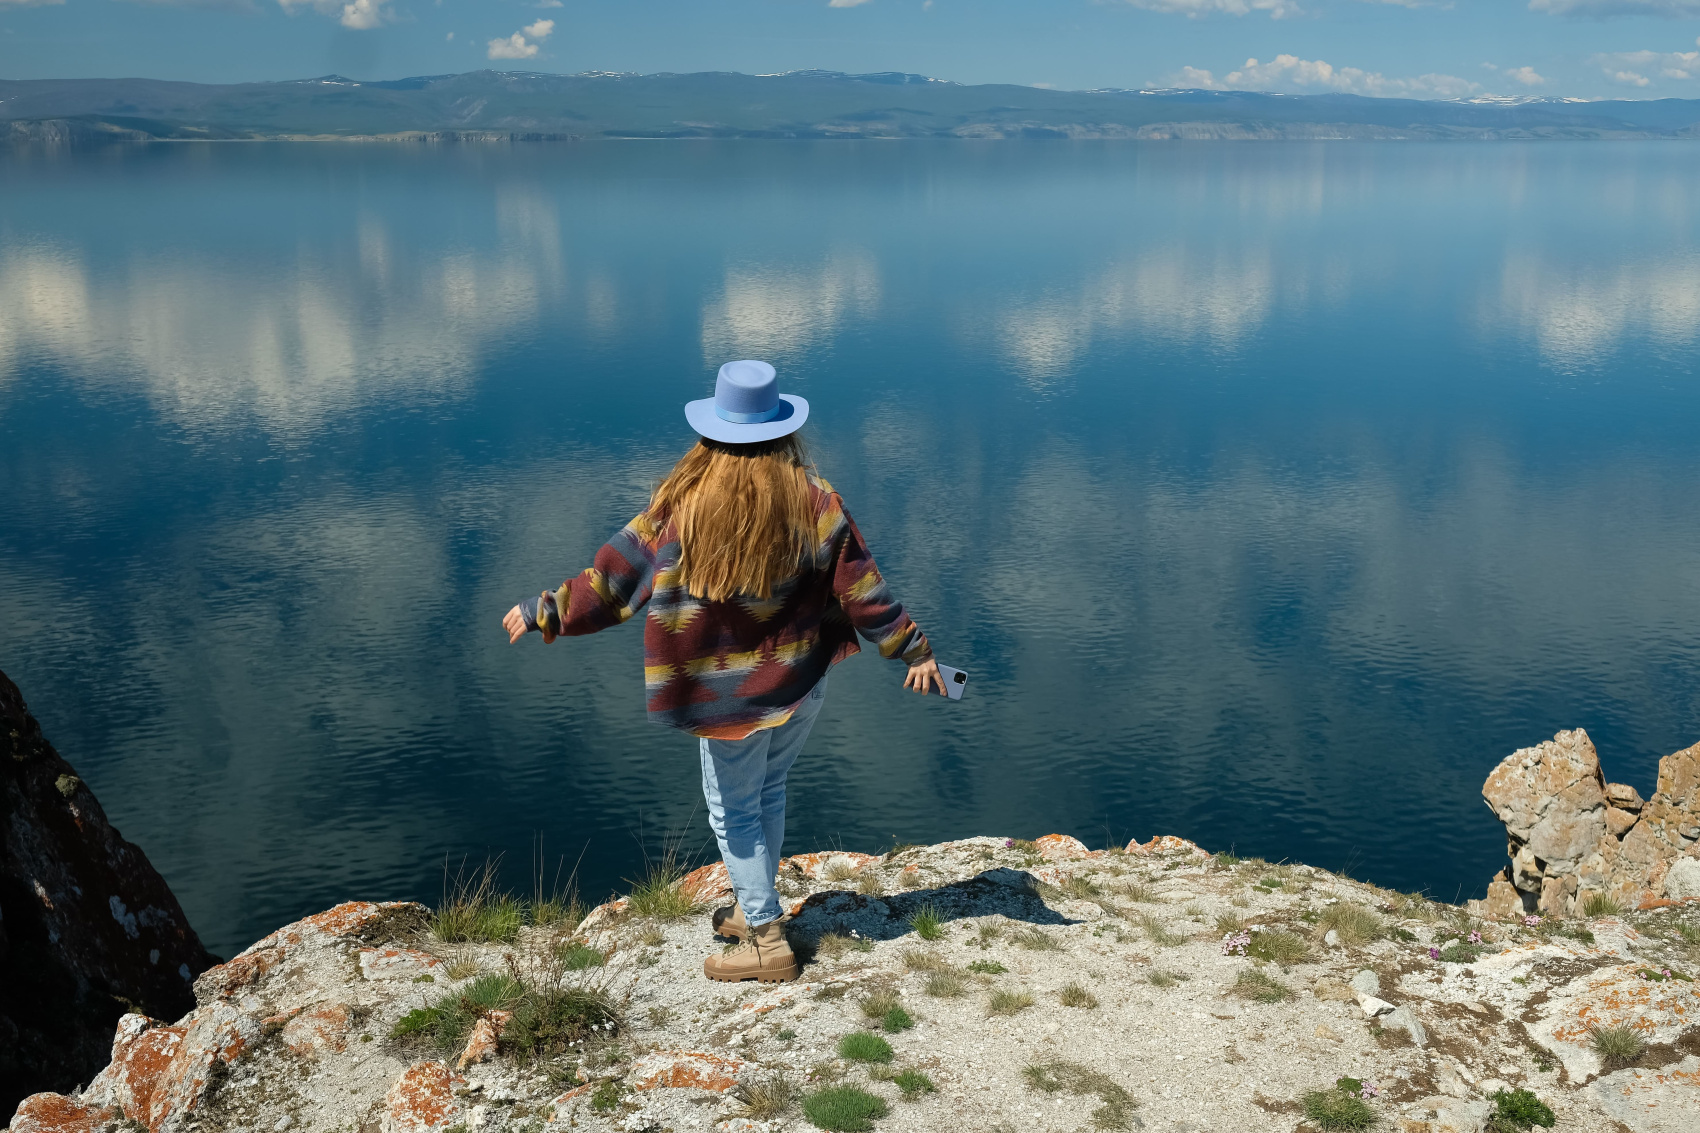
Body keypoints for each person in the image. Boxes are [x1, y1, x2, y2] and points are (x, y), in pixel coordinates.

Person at [503, 360, 944, 984]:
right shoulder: (817, 504)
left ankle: (765, 940)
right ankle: (749, 903)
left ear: (712, 434)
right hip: (798, 686)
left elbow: (611, 585)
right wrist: (914, 651)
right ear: (783, 432)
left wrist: (545, 611)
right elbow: (864, 595)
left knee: (732, 809)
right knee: (767, 791)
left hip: (724, 702)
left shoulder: (680, 509)